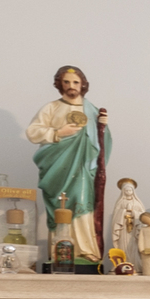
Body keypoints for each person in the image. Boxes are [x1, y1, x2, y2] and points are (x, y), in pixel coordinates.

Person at [24, 65, 106, 263]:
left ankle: (86, 249)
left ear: (83, 84)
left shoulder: (91, 109)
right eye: (66, 82)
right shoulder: (51, 107)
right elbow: (33, 132)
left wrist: (103, 125)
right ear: (59, 84)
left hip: (83, 167)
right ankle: (59, 252)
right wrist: (59, 133)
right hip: (57, 167)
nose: (71, 86)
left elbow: (101, 141)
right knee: (61, 204)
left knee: (82, 201)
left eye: (76, 82)